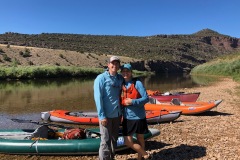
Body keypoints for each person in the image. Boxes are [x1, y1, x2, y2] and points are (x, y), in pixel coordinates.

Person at [93, 56, 123, 160]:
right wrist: (102, 116)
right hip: (106, 116)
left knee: (114, 139)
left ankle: (111, 158)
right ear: (108, 65)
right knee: (105, 140)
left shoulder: (120, 78)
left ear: (119, 66)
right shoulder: (101, 78)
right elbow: (98, 98)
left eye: (117, 63)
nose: (115, 65)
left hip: (117, 115)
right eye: (112, 63)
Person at [120, 63, 151, 160]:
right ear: (121, 72)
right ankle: (145, 154)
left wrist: (132, 101)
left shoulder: (137, 83)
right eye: (124, 71)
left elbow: (146, 98)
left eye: (127, 71)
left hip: (138, 116)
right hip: (127, 117)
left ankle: (140, 157)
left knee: (140, 138)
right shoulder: (121, 83)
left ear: (131, 72)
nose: (126, 73)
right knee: (128, 142)